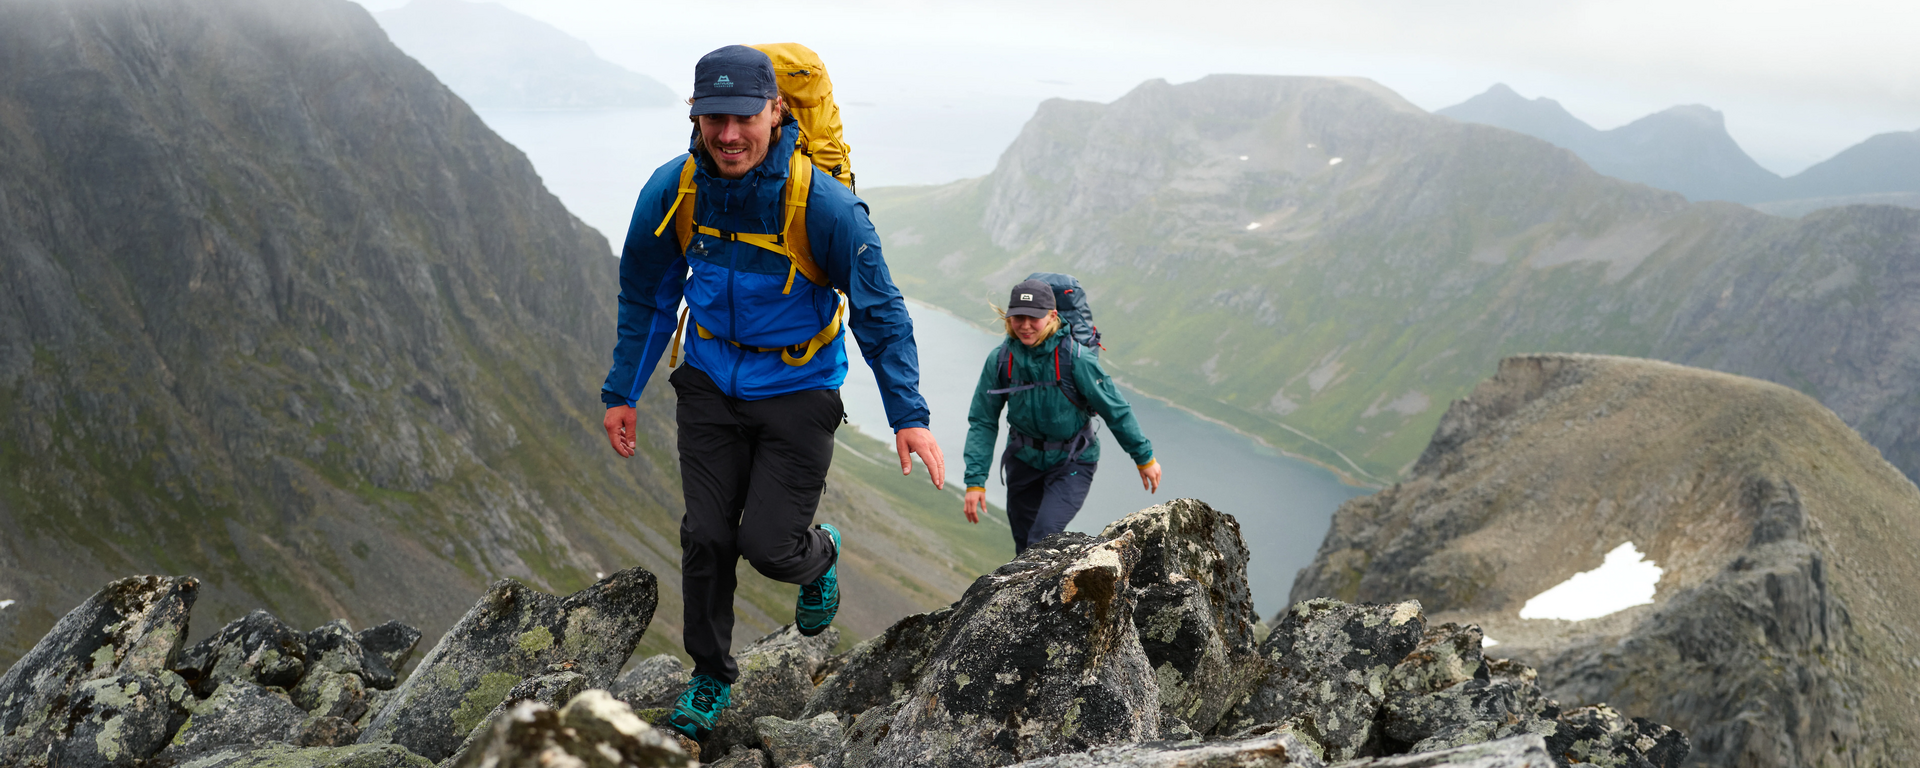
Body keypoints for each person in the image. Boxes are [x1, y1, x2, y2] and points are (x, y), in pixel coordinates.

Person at [599, 45, 944, 742]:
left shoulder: (823, 203)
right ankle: (709, 678)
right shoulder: (674, 190)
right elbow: (647, 294)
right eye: (711, 118)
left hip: (798, 390)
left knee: (769, 546)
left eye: (742, 117)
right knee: (705, 535)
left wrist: (909, 415)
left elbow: (880, 310)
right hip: (706, 382)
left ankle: (821, 555)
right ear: (695, 117)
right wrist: (622, 392)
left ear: (776, 110)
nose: (727, 135)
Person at [961, 279, 1161, 553]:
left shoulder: (1076, 359)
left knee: (1042, 538)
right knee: (1023, 546)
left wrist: (1144, 457)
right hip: (1023, 461)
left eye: (1034, 317)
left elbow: (1115, 409)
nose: (1025, 325)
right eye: (1018, 317)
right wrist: (975, 480)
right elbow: (983, 420)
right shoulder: (1001, 359)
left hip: (1073, 461)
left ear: (1052, 316)